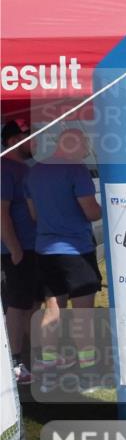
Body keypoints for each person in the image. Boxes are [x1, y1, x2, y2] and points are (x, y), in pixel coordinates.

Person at [24, 128, 102, 392]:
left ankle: (46, 374)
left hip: (45, 250)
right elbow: (91, 212)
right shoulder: (76, 170)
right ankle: (88, 374)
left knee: (52, 312)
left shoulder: (34, 172)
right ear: (74, 144)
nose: (86, 152)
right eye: (85, 146)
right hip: (76, 251)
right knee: (83, 317)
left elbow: (34, 215)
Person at [1, 120, 39, 384]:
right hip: (16, 249)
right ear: (14, 141)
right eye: (30, 137)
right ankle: (15, 363)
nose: (35, 142)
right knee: (17, 304)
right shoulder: (5, 169)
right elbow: (1, 212)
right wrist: (14, 247)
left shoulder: (23, 168)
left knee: (32, 303)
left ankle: (30, 358)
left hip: (33, 246)